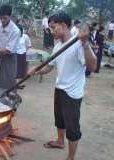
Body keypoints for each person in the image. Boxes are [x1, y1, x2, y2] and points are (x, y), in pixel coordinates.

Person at [28, 12, 97, 160]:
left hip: (72, 93)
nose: (51, 31)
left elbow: (92, 66)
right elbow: (48, 68)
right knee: (59, 119)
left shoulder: (79, 44)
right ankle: (60, 141)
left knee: (72, 127)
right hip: (59, 88)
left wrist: (85, 43)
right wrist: (36, 71)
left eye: (53, 27)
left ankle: (70, 157)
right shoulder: (58, 46)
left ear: (63, 26)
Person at [15, 23, 31, 89]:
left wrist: (25, 51)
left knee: (22, 69)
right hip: (14, 55)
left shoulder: (25, 36)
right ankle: (14, 84)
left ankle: (20, 84)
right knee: (15, 69)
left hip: (22, 55)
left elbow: (29, 44)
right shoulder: (12, 36)